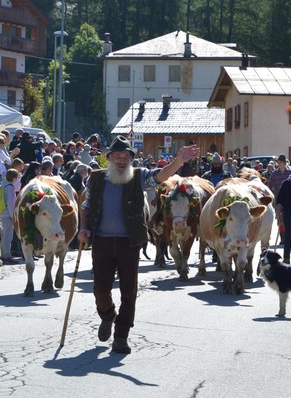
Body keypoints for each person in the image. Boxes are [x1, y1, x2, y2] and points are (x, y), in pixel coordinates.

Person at [78, 136, 200, 354]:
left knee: (129, 290)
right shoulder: (95, 179)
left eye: (126, 156)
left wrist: (178, 161)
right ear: (109, 158)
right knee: (100, 289)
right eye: (118, 156)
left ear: (131, 159)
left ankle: (121, 336)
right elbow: (85, 206)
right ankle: (107, 316)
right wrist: (83, 228)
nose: (122, 160)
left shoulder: (138, 176)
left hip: (130, 242)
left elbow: (160, 176)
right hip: (102, 241)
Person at [0, 169, 19, 265]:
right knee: (8, 236)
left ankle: (4, 254)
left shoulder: (2, 185)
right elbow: (10, 203)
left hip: (2, 212)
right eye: (17, 177)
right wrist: (13, 216)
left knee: (5, 234)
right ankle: (6, 256)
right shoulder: (10, 187)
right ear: (14, 178)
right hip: (7, 214)